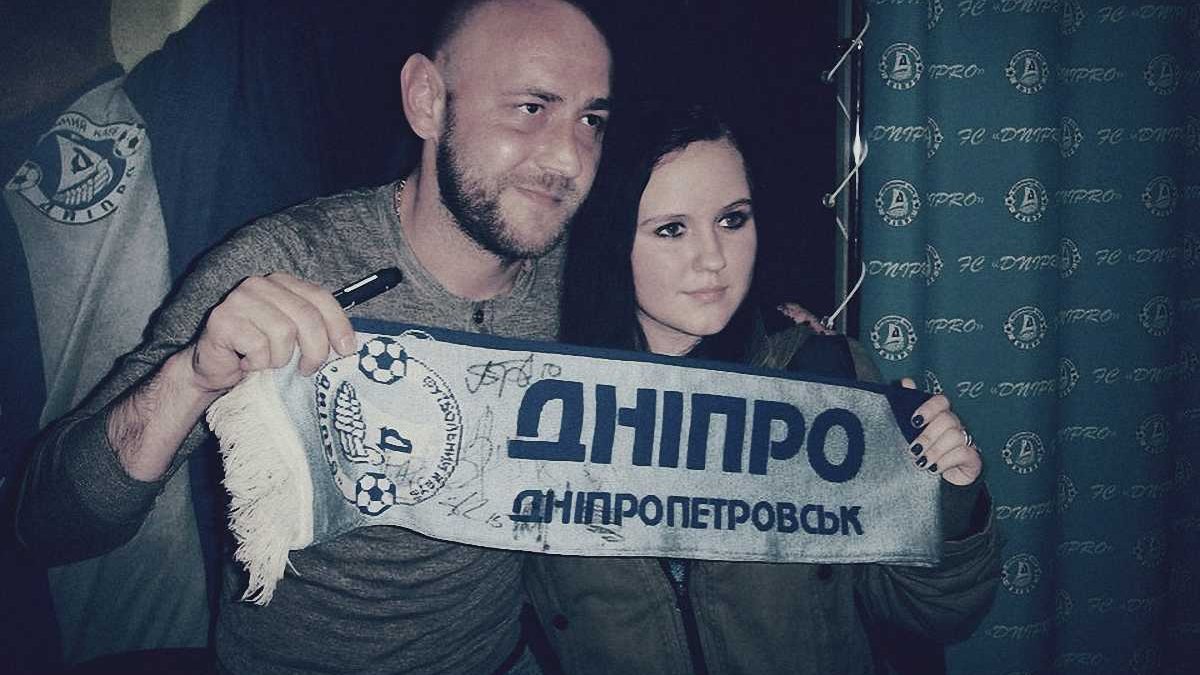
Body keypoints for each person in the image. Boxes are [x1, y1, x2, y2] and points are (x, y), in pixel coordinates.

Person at [14, 0, 612, 672]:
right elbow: (46, 523)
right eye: (531, 107)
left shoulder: (594, 284)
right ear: (427, 100)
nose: (569, 157)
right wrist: (193, 376)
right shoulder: (285, 261)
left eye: (591, 119)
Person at [525, 103, 1001, 674]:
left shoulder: (824, 379)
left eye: (733, 220)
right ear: (609, 237)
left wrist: (948, 506)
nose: (714, 259)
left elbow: (934, 616)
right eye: (671, 229)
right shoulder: (539, 401)